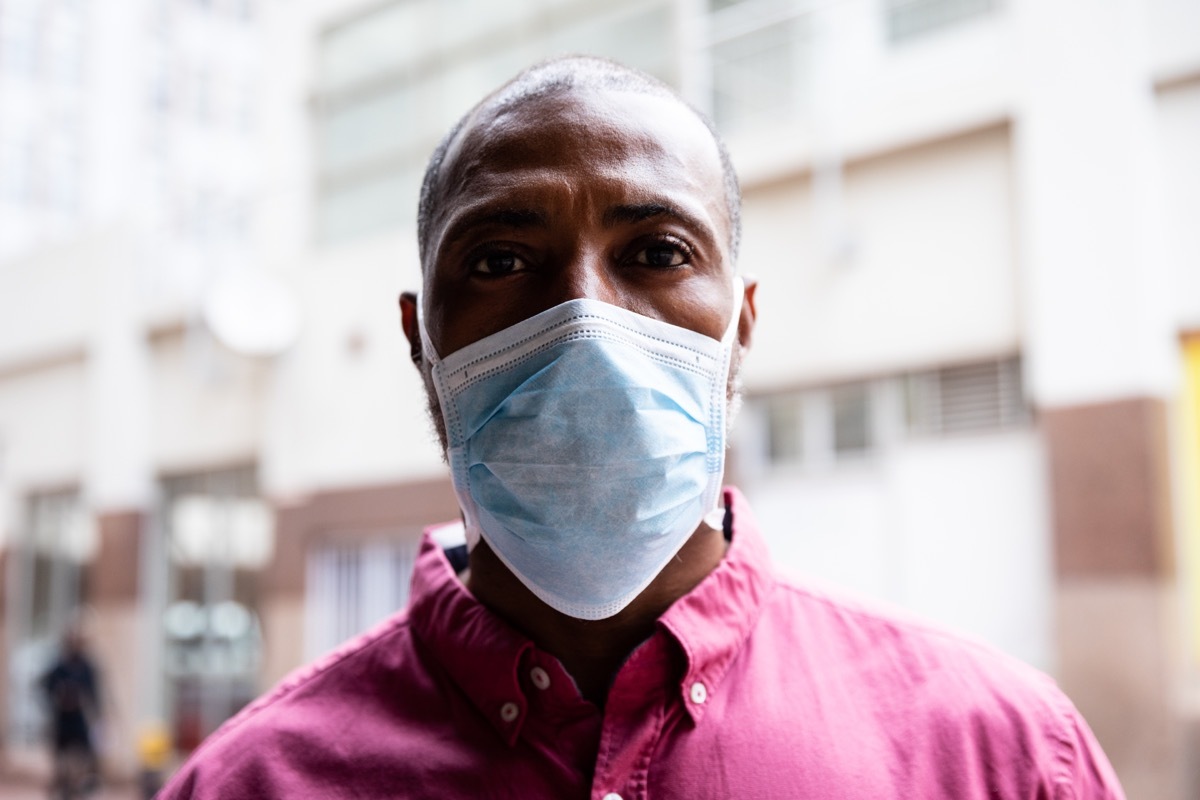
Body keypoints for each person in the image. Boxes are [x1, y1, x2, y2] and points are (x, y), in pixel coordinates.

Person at [159, 56, 1124, 799]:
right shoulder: (251, 782)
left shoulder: (996, 753)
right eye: (500, 262)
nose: (585, 322)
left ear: (740, 324)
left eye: (657, 252)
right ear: (424, 342)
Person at [40, 624, 102, 799]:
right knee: (62, 759)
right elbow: (46, 687)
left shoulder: (85, 666)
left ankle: (79, 785)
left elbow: (93, 691)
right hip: (62, 719)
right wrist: (59, 695)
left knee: (82, 755)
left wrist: (98, 715)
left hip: (78, 718)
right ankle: (63, 785)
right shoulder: (58, 666)